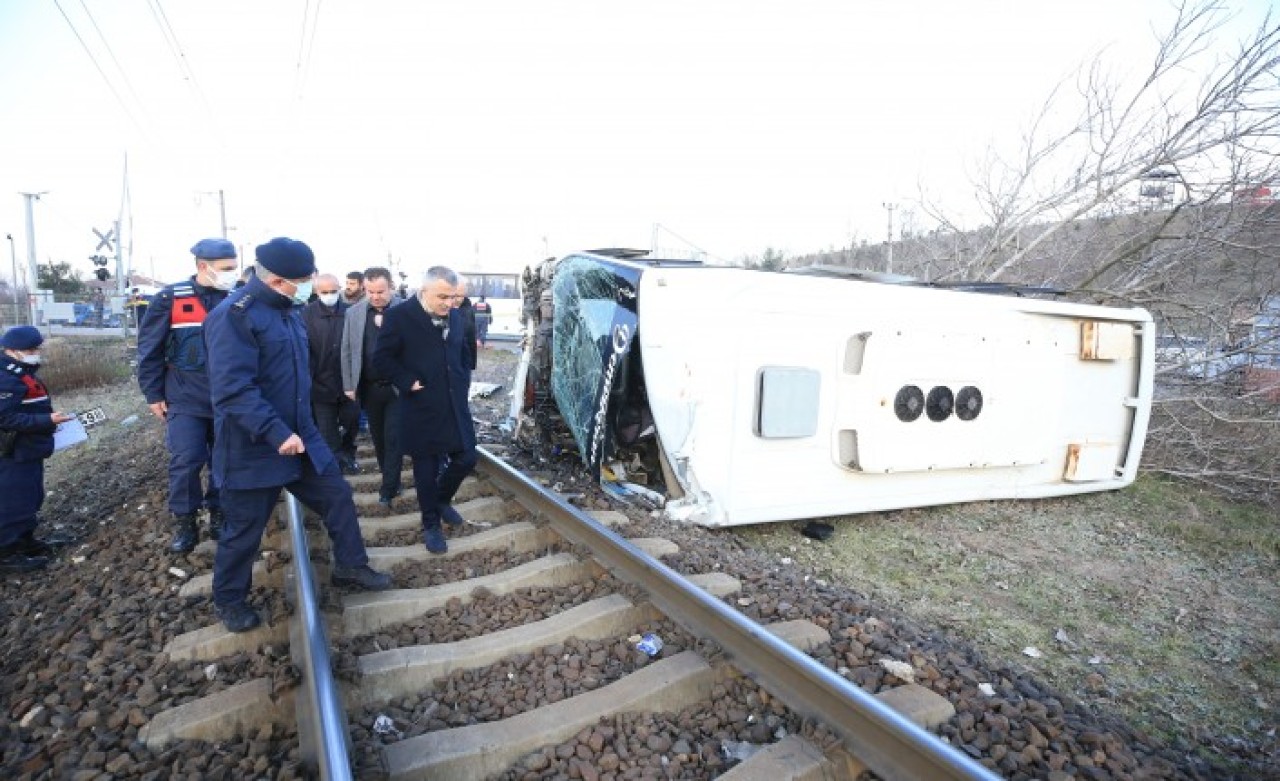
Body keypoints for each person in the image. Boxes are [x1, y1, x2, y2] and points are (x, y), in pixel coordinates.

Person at [204, 238, 391, 632]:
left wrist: (304, 428)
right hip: (254, 446)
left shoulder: (290, 312)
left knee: (337, 495)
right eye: (303, 281)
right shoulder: (234, 316)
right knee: (243, 531)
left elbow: (297, 376)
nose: (309, 287)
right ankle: (230, 600)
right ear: (275, 281)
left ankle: (351, 566)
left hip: (301, 436)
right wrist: (275, 432)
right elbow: (233, 390)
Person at [136, 238, 238, 553]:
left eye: (234, 267)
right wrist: (153, 393)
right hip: (184, 397)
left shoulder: (238, 298)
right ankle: (185, 520)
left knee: (225, 461)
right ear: (202, 266)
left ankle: (219, 513)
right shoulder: (170, 298)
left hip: (228, 397)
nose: (232, 274)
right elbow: (149, 348)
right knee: (187, 459)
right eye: (226, 269)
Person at [373, 266, 477, 554]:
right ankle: (430, 524)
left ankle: (440, 500)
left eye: (453, 297)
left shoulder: (456, 316)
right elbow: (381, 358)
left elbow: (461, 353)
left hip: (454, 403)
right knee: (426, 469)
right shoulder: (400, 316)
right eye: (442, 296)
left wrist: (463, 380)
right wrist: (407, 381)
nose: (448, 303)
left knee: (467, 456)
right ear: (424, 291)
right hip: (421, 405)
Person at [0, 326, 75, 573]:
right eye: (30, 350)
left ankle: (26, 541)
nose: (35, 353)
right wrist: (47, 421)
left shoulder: (21, 371)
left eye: (35, 348)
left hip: (30, 448)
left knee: (31, 496)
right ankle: (8, 553)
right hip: (14, 451)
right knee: (13, 501)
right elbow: (6, 419)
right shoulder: (6, 378)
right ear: (12, 351)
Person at [341, 267, 404, 505]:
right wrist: (349, 384)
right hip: (369, 387)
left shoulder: (406, 310)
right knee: (378, 437)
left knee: (393, 437)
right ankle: (391, 478)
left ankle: (388, 488)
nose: (376, 296)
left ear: (391, 287)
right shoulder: (354, 313)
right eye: (370, 291)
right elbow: (347, 350)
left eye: (380, 291)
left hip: (398, 388)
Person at [302, 274, 360, 474]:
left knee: (351, 423)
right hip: (320, 384)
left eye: (333, 291)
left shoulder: (351, 312)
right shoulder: (306, 315)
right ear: (316, 292)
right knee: (327, 430)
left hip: (348, 383)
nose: (329, 295)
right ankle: (336, 464)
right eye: (324, 292)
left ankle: (349, 454)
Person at [452, 275, 478, 371]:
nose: (458, 299)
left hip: (462, 362)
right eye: (455, 296)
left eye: (461, 296)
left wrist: (471, 363)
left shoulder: (468, 310)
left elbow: (471, 336)